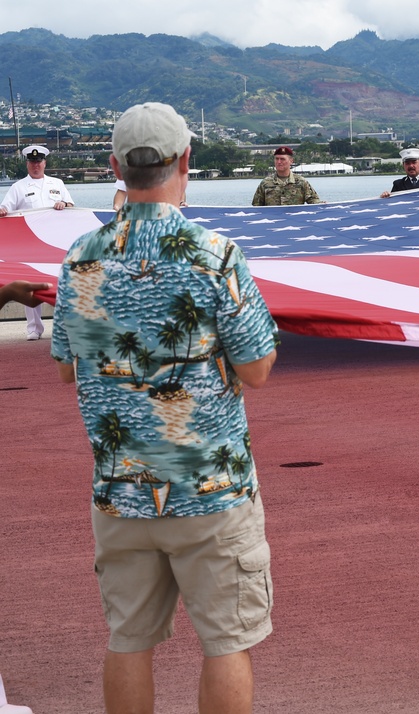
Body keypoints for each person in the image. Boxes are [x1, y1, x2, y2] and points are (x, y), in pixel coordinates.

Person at [51, 101, 279, 714]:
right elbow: (257, 369)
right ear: (186, 160)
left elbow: (70, 360)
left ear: (114, 166)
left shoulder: (79, 259)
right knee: (226, 643)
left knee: (128, 642)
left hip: (120, 492)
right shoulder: (215, 254)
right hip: (211, 492)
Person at [0, 145, 74, 341]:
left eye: (39, 162)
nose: (36, 165)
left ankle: (65, 326)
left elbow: (71, 205)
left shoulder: (57, 183)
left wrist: (64, 204)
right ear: (27, 164)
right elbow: (6, 207)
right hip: (31, 244)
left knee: (61, 281)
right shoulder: (19, 187)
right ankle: (34, 328)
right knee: (31, 283)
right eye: (32, 162)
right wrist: (3, 211)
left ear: (44, 163)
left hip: (56, 240)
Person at [252, 145, 322, 205]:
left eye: (282, 159)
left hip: (294, 219)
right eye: (277, 159)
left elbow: (314, 201)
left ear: (291, 161)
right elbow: (256, 207)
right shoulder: (265, 183)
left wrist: (322, 205)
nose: (279, 162)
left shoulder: (301, 182)